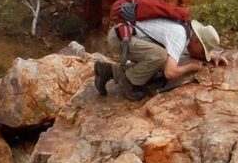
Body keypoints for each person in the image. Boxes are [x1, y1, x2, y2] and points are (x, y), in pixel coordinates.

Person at [94, 18, 227, 101]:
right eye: (203, 50)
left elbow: (182, 54)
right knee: (160, 56)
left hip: (124, 36)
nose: (202, 53)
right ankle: (127, 80)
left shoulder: (185, 30)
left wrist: (209, 58)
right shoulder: (180, 35)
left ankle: (107, 70)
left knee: (164, 60)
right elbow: (170, 72)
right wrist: (191, 66)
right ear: (197, 41)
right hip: (120, 40)